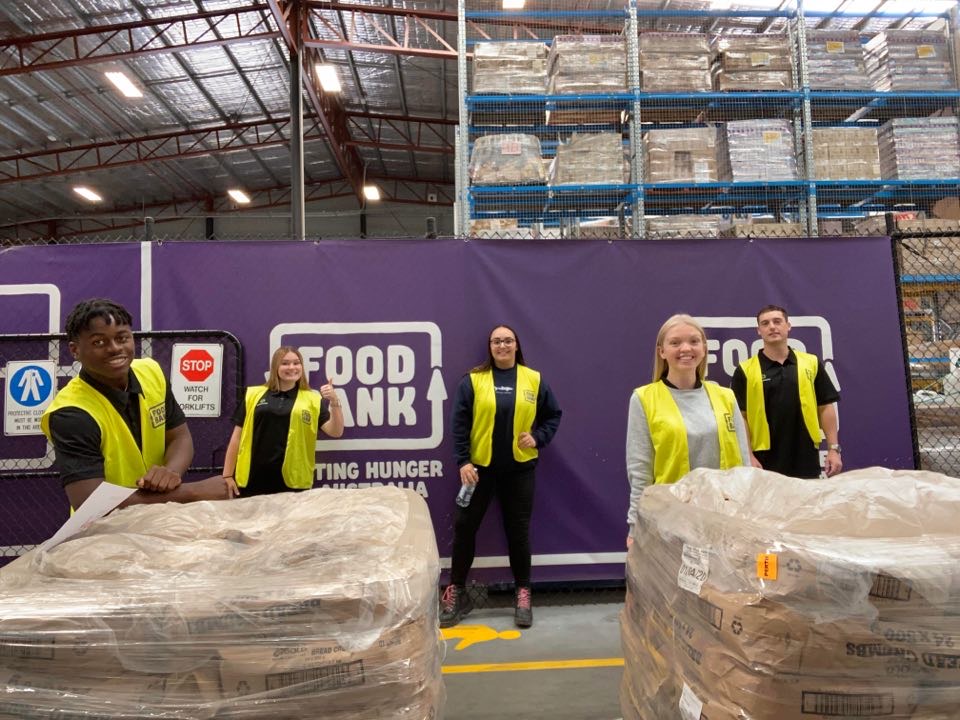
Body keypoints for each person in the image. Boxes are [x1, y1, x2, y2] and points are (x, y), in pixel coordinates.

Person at [41, 298, 238, 510]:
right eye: (99, 342)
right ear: (74, 350)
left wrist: (169, 473)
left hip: (158, 520)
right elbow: (90, 505)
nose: (115, 348)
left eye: (122, 338)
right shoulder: (72, 414)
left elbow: (179, 437)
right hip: (104, 535)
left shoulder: (151, 372)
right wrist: (193, 492)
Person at [440, 324, 562, 629]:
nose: (502, 346)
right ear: (490, 347)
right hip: (478, 471)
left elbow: (553, 414)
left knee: (518, 532)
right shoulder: (473, 380)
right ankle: (457, 593)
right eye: (497, 341)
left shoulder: (533, 379)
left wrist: (538, 438)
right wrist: (463, 461)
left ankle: (523, 593)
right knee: (464, 528)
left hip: (519, 470)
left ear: (517, 345)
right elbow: (459, 423)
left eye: (508, 340)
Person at [626, 314, 750, 541]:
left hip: (724, 519)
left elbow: (743, 463)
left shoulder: (726, 397)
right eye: (675, 342)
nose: (686, 348)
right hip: (671, 521)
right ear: (661, 351)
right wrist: (635, 526)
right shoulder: (644, 399)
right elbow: (640, 472)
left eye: (694, 341)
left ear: (704, 348)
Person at [731, 304, 841, 479]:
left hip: (805, 454)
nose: (772, 326)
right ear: (758, 330)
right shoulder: (745, 370)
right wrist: (748, 456)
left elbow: (825, 407)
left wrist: (833, 449)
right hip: (764, 458)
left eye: (777, 321)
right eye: (765, 323)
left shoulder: (811, 363)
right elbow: (741, 416)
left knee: (807, 505)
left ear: (788, 326)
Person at [222, 346, 343, 496]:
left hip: (293, 482)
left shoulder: (312, 399)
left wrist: (334, 402)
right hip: (252, 478)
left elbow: (336, 431)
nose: (291, 367)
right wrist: (227, 475)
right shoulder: (252, 394)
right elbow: (237, 437)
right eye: (285, 363)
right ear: (275, 367)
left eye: (296, 363)